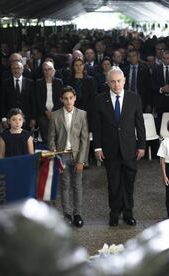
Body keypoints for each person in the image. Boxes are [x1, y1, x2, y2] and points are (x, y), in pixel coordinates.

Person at [93, 66, 145, 227]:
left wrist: (142, 146)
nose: (116, 85)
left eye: (119, 81)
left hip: (130, 148)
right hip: (110, 149)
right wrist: (97, 147)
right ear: (107, 83)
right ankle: (114, 213)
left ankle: (128, 213)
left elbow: (140, 124)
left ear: (124, 81)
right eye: (113, 82)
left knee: (129, 183)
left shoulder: (134, 98)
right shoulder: (100, 99)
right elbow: (97, 127)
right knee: (113, 183)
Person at [47, 86, 89, 228]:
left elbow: (84, 139)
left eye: (71, 98)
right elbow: (51, 136)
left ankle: (77, 214)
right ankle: (67, 214)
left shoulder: (82, 114)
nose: (69, 101)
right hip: (62, 155)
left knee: (77, 185)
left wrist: (81, 160)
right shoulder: (55, 115)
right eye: (65, 98)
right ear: (61, 100)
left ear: (75, 98)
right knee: (65, 185)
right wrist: (53, 149)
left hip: (77, 155)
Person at [36, 61, 64, 144]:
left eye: (49, 69)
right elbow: (38, 100)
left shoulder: (59, 82)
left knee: (58, 136)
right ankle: (49, 155)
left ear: (54, 70)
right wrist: (46, 112)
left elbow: (61, 99)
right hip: (43, 113)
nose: (47, 71)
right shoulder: (38, 83)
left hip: (57, 112)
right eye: (45, 70)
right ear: (42, 71)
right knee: (46, 137)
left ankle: (57, 155)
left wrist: (53, 113)